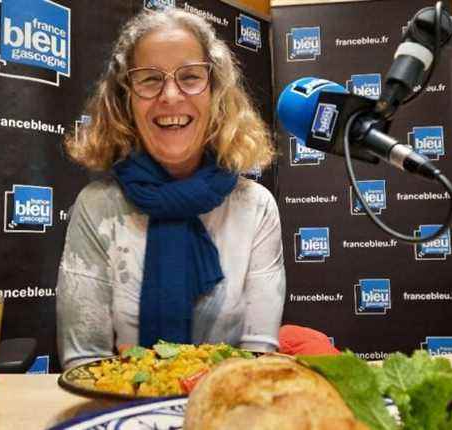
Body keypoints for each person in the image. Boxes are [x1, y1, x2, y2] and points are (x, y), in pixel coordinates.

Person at [56, 7, 285, 369]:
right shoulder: (96, 207)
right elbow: (85, 362)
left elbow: (258, 359)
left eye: (191, 77)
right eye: (149, 79)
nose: (171, 95)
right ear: (125, 99)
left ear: (216, 93)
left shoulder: (255, 206)